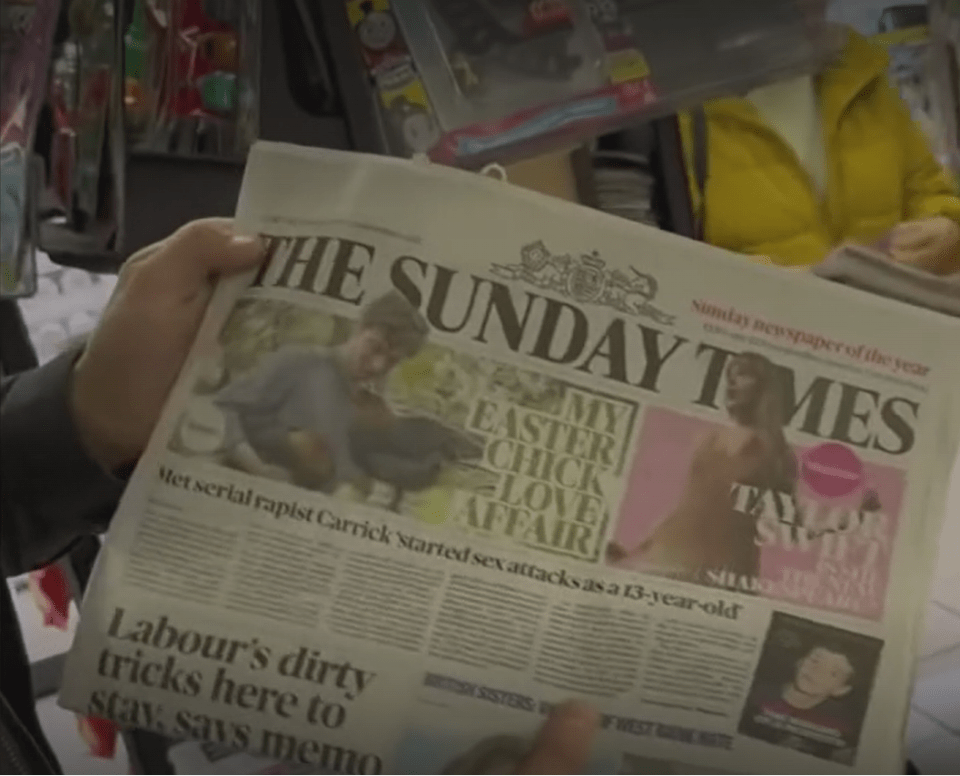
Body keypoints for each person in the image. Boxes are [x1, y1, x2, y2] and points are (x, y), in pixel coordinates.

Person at [0, 219, 599, 774]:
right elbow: (230, 422)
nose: (379, 361)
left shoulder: (368, 402)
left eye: (392, 357)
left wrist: (81, 420)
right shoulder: (299, 366)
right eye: (379, 345)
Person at [680, 1, 960, 274]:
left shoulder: (859, 70)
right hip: (758, 318)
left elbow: (929, 192)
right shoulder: (675, 112)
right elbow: (663, 265)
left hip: (885, 314)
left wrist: (946, 229)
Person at [607, 352, 797, 591]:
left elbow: (789, 525)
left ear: (765, 388)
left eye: (744, 376)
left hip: (721, 571)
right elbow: (687, 505)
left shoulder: (776, 454)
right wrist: (638, 550)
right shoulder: (710, 439)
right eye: (731, 376)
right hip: (669, 558)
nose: (733, 383)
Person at [214, 290, 428, 492]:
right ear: (359, 328)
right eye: (375, 347)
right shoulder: (299, 361)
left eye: (392, 360)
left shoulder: (364, 406)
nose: (378, 366)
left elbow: (338, 471)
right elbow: (224, 409)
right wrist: (257, 468)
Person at [739, 642, 860, 762]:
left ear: (842, 690)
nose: (817, 671)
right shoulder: (754, 693)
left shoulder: (841, 726)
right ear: (799, 662)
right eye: (815, 661)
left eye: (833, 673)